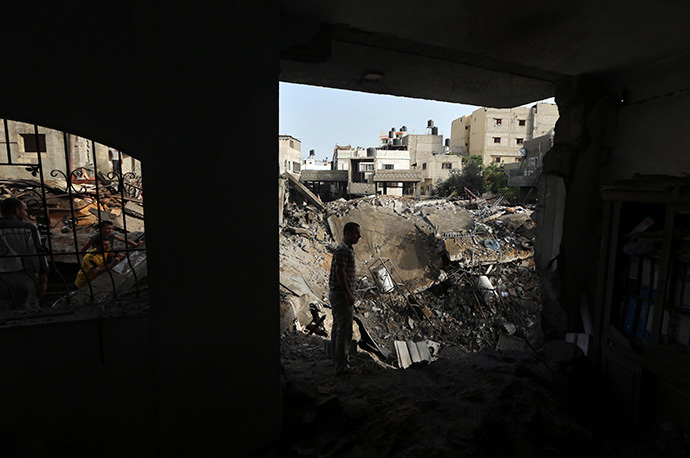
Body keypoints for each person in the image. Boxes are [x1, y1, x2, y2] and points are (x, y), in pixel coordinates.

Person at [0, 197, 49, 310]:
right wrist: (43, 278)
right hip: (23, 277)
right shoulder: (28, 229)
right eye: (24, 210)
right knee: (28, 310)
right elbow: (37, 255)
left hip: (1, 279)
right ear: (16, 211)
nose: (26, 214)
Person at [328, 221, 362, 376]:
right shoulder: (343, 249)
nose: (359, 236)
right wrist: (348, 293)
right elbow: (340, 272)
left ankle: (337, 361)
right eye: (356, 233)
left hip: (338, 294)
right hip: (341, 296)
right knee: (345, 330)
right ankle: (342, 367)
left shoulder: (345, 248)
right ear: (347, 233)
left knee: (338, 328)